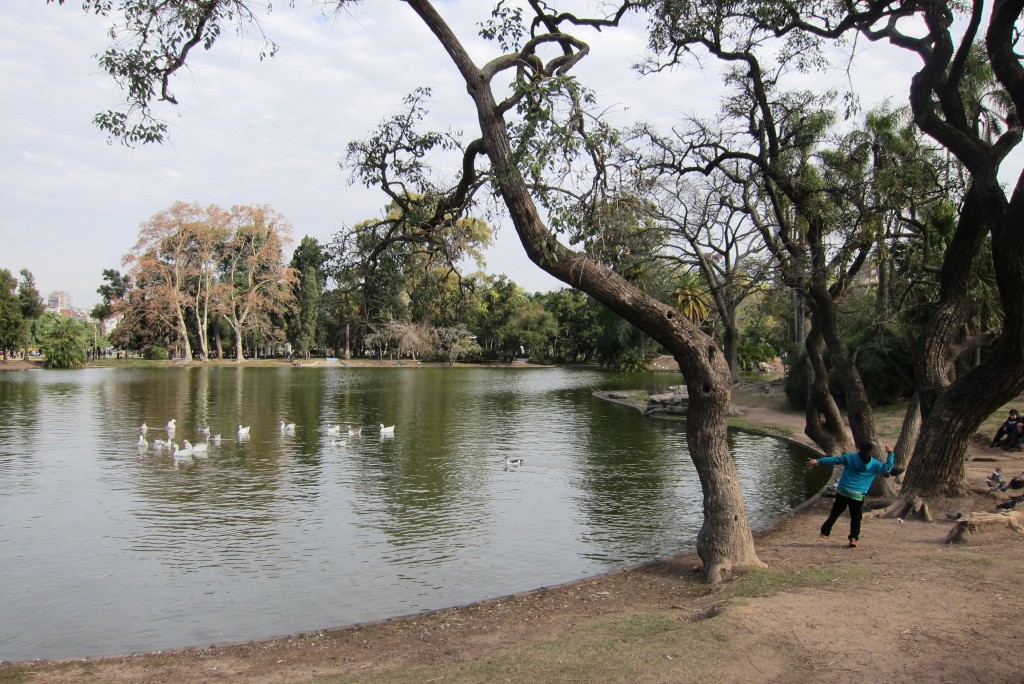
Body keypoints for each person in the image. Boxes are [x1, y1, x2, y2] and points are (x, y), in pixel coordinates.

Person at [809, 442, 894, 548]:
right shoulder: (875, 464)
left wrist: (817, 461)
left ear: (858, 449)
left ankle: (825, 532)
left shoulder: (850, 458)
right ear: (870, 451)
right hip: (857, 495)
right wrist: (890, 454)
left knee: (835, 512)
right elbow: (888, 468)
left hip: (843, 491)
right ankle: (853, 539)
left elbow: (834, 460)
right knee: (856, 517)